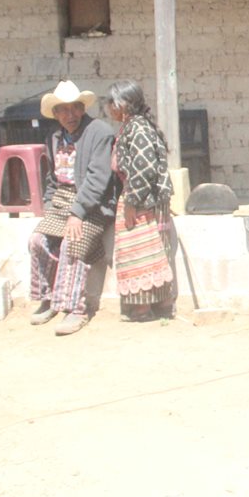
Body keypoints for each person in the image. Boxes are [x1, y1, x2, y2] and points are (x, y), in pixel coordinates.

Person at [28, 80, 117, 336]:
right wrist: (48, 205)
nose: (69, 115)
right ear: (55, 114)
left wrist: (77, 213)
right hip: (61, 202)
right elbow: (52, 179)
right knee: (37, 240)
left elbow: (98, 178)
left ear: (81, 108)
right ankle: (49, 297)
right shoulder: (54, 137)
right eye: (62, 110)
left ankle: (77, 309)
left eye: (74, 109)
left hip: (92, 203)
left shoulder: (99, 132)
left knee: (72, 242)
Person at [105, 80, 177, 321]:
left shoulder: (138, 128)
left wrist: (133, 203)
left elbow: (144, 168)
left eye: (111, 103)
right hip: (142, 196)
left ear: (123, 105)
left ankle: (147, 308)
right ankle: (152, 307)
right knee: (146, 252)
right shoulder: (131, 126)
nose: (108, 108)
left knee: (144, 253)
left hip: (146, 199)